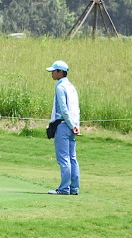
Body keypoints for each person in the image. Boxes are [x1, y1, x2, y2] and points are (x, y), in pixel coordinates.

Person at [46, 60, 80, 195]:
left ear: (60, 72)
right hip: (72, 125)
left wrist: (71, 125)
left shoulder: (60, 87)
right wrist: (76, 126)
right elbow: (76, 109)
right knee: (72, 157)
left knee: (64, 158)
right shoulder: (71, 87)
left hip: (63, 125)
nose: (52, 73)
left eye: (54, 71)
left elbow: (64, 110)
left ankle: (64, 188)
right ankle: (74, 188)